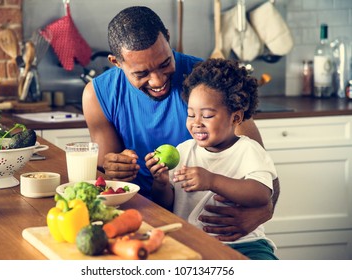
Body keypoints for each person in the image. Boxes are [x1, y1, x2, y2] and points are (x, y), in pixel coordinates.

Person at [82, 6, 280, 242]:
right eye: (142, 73)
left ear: (167, 37)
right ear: (116, 62)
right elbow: (107, 181)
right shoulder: (98, 94)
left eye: (165, 63)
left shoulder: (207, 83)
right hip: (135, 220)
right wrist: (113, 168)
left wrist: (263, 212)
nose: (158, 80)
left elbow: (265, 174)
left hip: (211, 230)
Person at [145, 59, 278, 259]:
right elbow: (166, 205)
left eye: (206, 116)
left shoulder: (249, 150)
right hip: (191, 242)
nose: (196, 123)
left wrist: (212, 180)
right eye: (191, 115)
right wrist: (161, 184)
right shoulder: (184, 151)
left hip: (244, 244)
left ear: (236, 118)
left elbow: (261, 195)